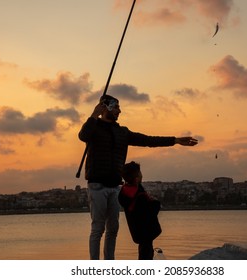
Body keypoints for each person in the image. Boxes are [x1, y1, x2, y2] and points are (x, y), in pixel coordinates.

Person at [78, 94, 198, 260]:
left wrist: (175, 140)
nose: (120, 111)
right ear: (106, 108)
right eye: (116, 107)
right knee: (98, 229)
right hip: (97, 186)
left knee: (113, 229)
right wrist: (93, 115)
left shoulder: (122, 132)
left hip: (115, 187)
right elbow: (83, 136)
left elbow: (147, 140)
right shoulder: (94, 127)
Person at [119, 161, 161, 260]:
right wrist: (156, 203)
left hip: (136, 229)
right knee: (146, 253)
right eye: (140, 173)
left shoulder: (125, 191)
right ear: (137, 178)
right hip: (145, 230)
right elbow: (149, 212)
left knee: (143, 251)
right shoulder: (139, 195)